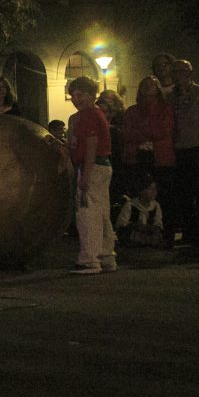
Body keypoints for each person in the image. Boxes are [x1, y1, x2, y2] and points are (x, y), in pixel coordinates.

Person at [66, 76, 117, 274]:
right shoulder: (96, 114)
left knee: (88, 213)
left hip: (92, 166)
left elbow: (91, 145)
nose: (76, 99)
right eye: (73, 95)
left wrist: (85, 175)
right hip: (101, 165)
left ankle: (90, 259)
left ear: (91, 95)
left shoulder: (87, 116)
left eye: (80, 95)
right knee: (102, 212)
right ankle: (106, 255)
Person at [122, 75, 175, 243]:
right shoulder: (132, 111)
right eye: (144, 84)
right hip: (138, 157)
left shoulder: (165, 109)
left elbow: (164, 130)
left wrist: (142, 132)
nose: (147, 87)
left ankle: (164, 233)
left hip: (160, 157)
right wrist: (147, 133)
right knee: (138, 194)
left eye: (151, 84)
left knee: (164, 195)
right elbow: (127, 133)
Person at [170, 59, 199, 247]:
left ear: (189, 73)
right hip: (180, 149)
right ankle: (190, 232)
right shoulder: (170, 98)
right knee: (185, 192)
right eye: (175, 72)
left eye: (182, 71)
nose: (179, 76)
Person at [114, 176, 164, 248]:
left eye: (155, 189)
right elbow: (121, 224)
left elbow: (158, 224)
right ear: (141, 191)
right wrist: (136, 226)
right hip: (134, 233)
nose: (154, 192)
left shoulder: (156, 206)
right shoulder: (130, 204)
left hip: (147, 233)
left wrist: (149, 228)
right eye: (150, 189)